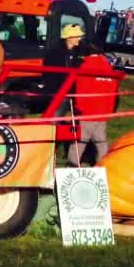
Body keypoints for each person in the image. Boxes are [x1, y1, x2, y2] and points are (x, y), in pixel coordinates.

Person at [46, 23, 110, 167]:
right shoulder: (54, 54)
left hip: (74, 95)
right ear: (69, 37)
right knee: (53, 124)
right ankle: (48, 152)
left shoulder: (77, 53)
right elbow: (50, 75)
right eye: (77, 36)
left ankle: (75, 160)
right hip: (59, 94)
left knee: (80, 129)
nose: (79, 39)